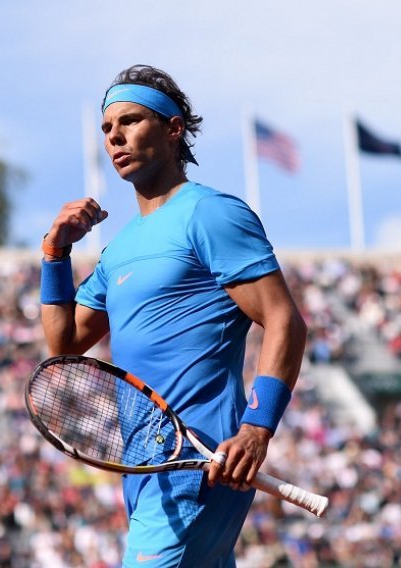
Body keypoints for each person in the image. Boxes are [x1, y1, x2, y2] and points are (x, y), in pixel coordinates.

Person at [39, 64, 307, 567]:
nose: (114, 135)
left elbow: (284, 319)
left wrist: (256, 429)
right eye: (106, 128)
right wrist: (54, 254)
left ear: (173, 129)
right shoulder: (118, 251)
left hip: (200, 463)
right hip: (143, 471)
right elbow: (64, 346)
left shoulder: (210, 213)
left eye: (131, 120)